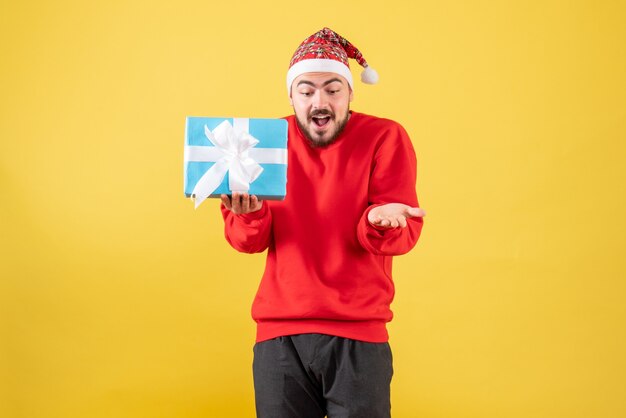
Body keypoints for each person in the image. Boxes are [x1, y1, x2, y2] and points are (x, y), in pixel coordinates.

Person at [220, 27, 425, 418]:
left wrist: (379, 221)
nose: (320, 100)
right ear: (291, 95)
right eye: (307, 90)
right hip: (279, 337)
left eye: (333, 89)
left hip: (357, 336)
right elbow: (247, 241)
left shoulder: (385, 137)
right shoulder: (262, 143)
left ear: (350, 93)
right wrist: (249, 215)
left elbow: (404, 232)